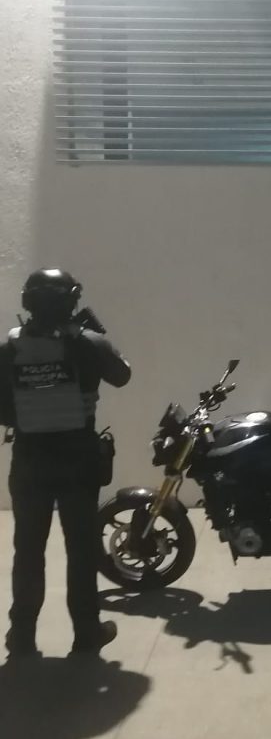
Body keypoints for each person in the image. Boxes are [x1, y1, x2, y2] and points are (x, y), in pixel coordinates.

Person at [0, 269, 131, 658]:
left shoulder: (8, 349)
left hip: (30, 460)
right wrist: (95, 337)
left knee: (28, 551)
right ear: (72, 301)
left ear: (28, 302)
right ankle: (87, 632)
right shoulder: (89, 343)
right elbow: (122, 375)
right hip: (77, 461)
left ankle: (21, 635)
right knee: (81, 549)